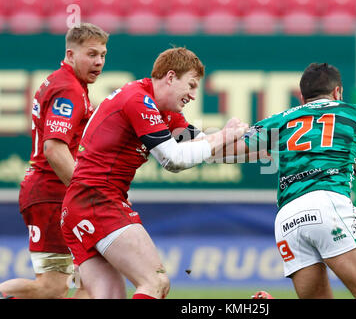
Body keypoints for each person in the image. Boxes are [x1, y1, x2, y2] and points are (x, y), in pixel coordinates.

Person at [60, 47, 248, 299]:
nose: (193, 95)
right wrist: (225, 134)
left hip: (80, 206)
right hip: (97, 200)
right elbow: (173, 159)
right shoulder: (139, 99)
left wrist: (274, 148)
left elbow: (212, 148)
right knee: (155, 282)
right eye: (191, 85)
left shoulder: (164, 112)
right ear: (170, 77)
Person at [225, 63, 356, 299]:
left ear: (302, 97)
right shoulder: (352, 113)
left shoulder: (280, 119)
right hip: (328, 204)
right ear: (338, 92)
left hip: (288, 218)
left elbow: (229, 152)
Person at [0, 23, 109, 299]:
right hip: (51, 194)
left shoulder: (62, 81)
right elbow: (54, 149)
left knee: (90, 282)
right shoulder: (69, 89)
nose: (99, 62)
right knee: (52, 287)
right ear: (71, 55)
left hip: (48, 192)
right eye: (92, 54)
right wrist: (87, 191)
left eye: (103, 55)